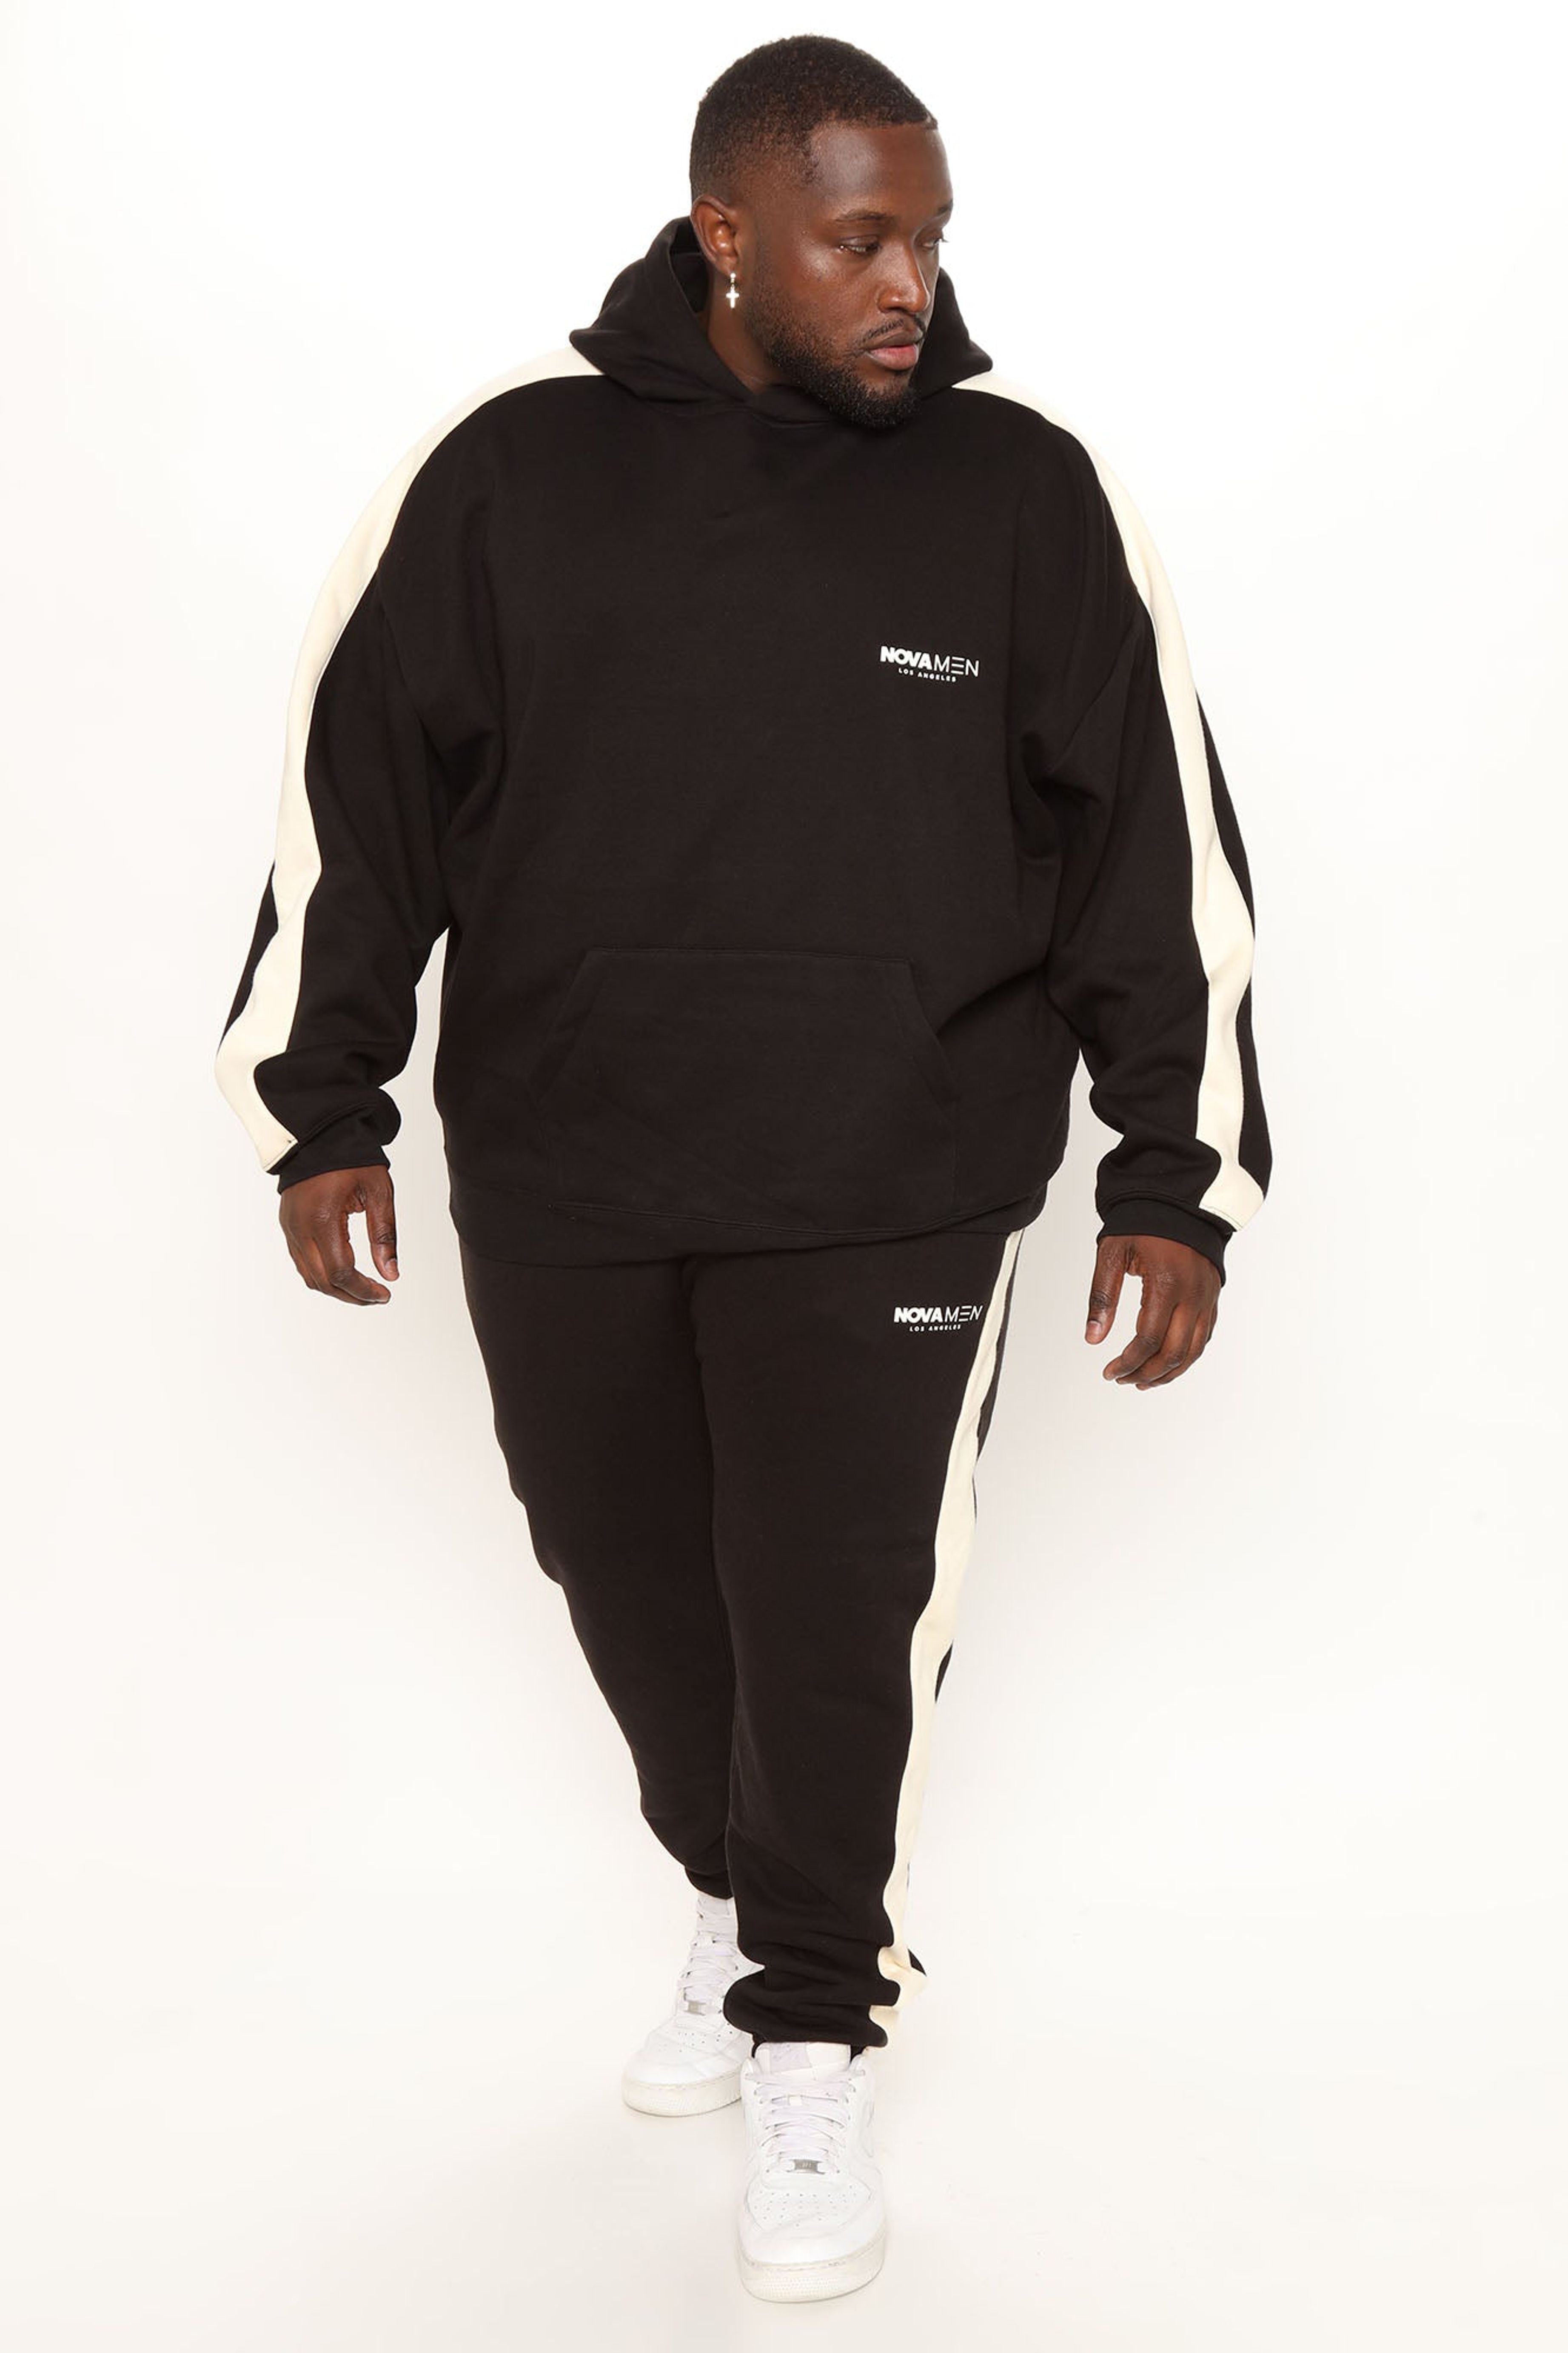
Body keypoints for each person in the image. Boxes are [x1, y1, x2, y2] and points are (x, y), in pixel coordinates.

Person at [214, 33, 1271, 2304]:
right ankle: (740, 1893)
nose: (912, 286)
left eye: (931, 240)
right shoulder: (510, 473)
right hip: (572, 1161)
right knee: (624, 1583)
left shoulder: (1024, 493)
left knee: (832, 1620)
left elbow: (1151, 857)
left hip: (895, 1169)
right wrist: (325, 1105)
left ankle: (811, 2019)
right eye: (859, 239)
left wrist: (1172, 1181)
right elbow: (359, 798)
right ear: (725, 233)